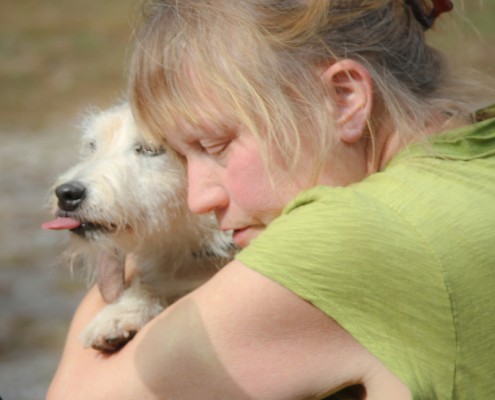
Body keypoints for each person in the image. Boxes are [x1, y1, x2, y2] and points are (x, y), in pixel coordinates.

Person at [47, 0, 495, 399]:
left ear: (343, 98)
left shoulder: (348, 237)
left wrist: (134, 259)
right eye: (182, 157)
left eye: (216, 145)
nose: (199, 198)